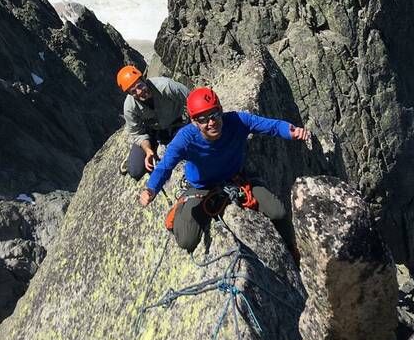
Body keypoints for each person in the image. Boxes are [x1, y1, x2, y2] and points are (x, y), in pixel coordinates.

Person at [138, 86, 310, 252]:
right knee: (186, 240)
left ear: (220, 110)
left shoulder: (237, 121)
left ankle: (292, 249)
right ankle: (181, 206)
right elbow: (165, 165)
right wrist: (151, 189)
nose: (211, 122)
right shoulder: (185, 139)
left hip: (236, 178)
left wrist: (290, 131)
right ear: (193, 121)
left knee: (278, 213)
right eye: (203, 119)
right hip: (202, 187)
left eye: (214, 114)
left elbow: (270, 126)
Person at [117, 65, 190, 180]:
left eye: (140, 86)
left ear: (143, 79)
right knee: (135, 170)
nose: (140, 92)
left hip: (177, 124)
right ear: (130, 94)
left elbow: (191, 99)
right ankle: (134, 157)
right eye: (133, 91)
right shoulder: (130, 107)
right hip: (152, 131)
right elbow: (138, 133)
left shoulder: (165, 86)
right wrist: (148, 150)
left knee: (191, 149)